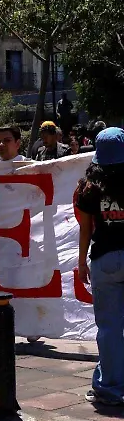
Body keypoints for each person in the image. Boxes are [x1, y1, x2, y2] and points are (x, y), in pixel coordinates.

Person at [75, 127, 124, 406]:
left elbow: (86, 229)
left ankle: (110, 388)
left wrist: (82, 264)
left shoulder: (88, 187)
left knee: (108, 328)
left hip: (104, 260)